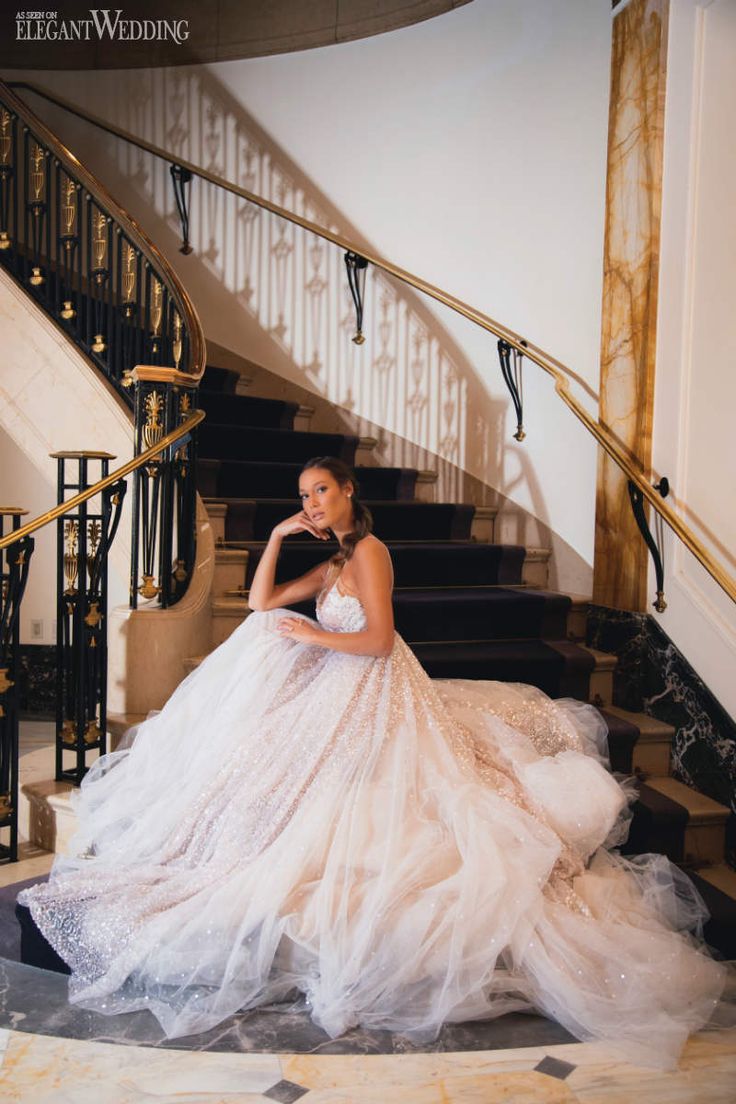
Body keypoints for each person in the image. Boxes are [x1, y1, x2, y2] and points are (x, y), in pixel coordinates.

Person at [19, 457, 727, 1067]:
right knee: (267, 655)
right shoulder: (331, 559)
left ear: (351, 493)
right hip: (339, 686)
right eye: (303, 496)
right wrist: (275, 538)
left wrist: (313, 637)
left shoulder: (370, 554)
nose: (311, 505)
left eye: (321, 492)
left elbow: (381, 642)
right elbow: (262, 602)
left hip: (373, 687)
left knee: (368, 803)